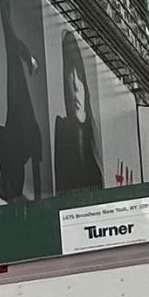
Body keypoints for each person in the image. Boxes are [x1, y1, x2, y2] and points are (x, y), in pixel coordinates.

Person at [52, 29, 104, 193]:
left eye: (79, 77)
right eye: (69, 76)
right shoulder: (61, 128)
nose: (74, 87)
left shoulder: (95, 141)